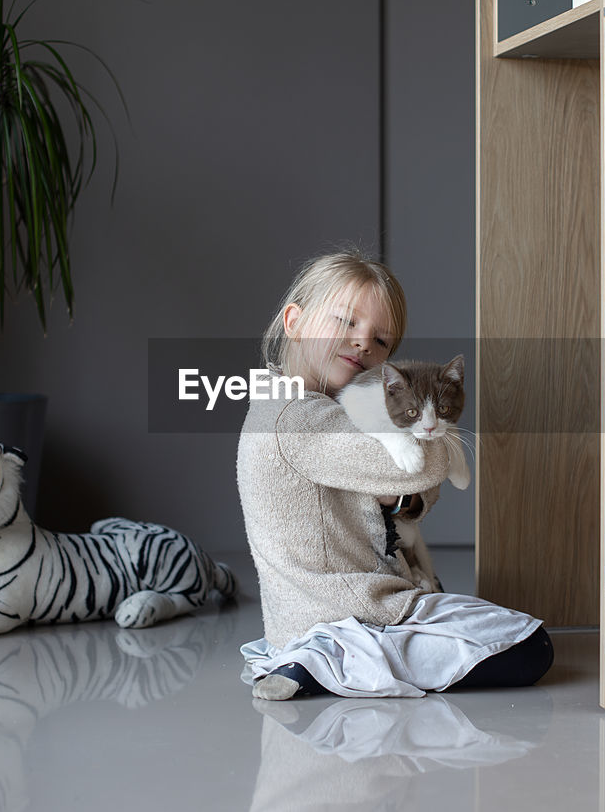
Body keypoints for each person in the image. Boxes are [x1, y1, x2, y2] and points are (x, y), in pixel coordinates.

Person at [236, 250, 553, 699]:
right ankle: (324, 661)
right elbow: (414, 467)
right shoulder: (296, 417)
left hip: (338, 604)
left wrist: (404, 499)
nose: (364, 343)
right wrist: (433, 441)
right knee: (529, 645)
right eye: (346, 322)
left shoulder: (307, 407)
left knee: (493, 626)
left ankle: (323, 659)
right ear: (295, 323)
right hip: (342, 615)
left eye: (381, 341)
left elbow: (405, 496)